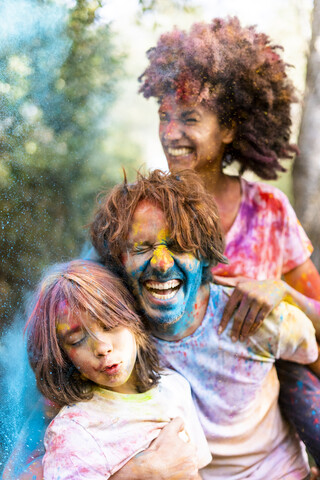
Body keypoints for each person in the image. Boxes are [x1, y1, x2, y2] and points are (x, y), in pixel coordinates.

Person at [137, 16, 320, 466]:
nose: (170, 133)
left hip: (265, 451)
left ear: (231, 128)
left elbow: (317, 319)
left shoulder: (269, 211)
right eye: (164, 116)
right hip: (175, 451)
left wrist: (283, 292)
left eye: (190, 119)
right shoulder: (143, 214)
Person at [89, 169, 318, 480]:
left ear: (205, 257)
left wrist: (288, 294)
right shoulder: (113, 339)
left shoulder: (257, 315)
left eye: (179, 245)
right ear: (118, 260)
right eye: (142, 248)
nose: (161, 263)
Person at [23, 259, 211, 480]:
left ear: (134, 319)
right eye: (77, 339)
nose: (102, 348)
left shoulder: (174, 388)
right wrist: (143, 472)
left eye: (110, 325)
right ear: (62, 356)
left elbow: (193, 471)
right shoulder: (73, 431)